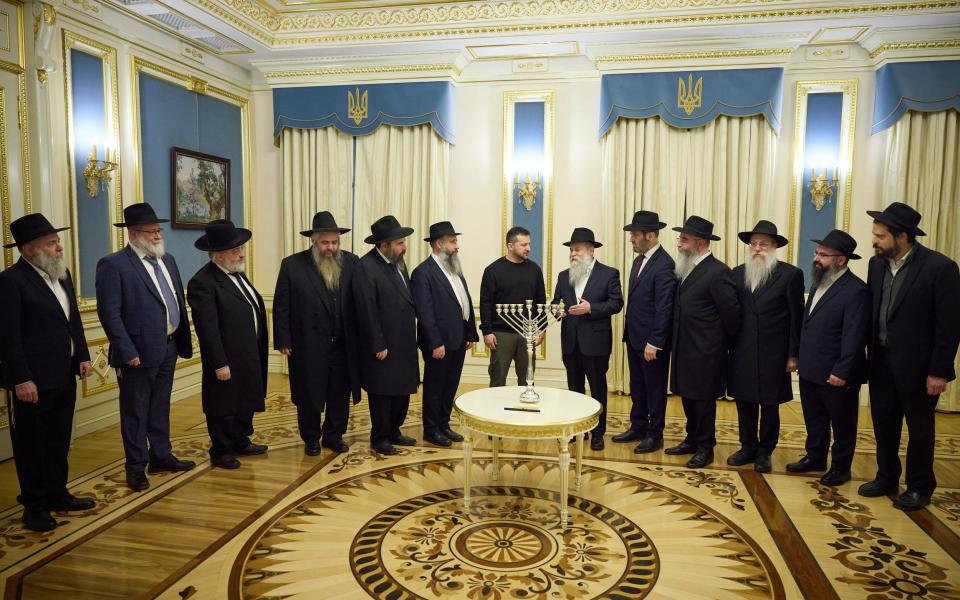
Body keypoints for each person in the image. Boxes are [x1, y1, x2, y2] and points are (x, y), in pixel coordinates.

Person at [859, 202, 960, 511]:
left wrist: (939, 371)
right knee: (883, 423)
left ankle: (919, 486)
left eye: (880, 236)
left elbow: (949, 325)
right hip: (881, 363)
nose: (874, 241)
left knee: (919, 429)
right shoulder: (876, 265)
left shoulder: (940, 268)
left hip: (919, 369)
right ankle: (887, 476)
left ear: (903, 236)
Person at [0, 214, 94, 532]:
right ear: (29, 250)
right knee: (31, 445)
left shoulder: (61, 275)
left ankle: (58, 494)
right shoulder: (11, 281)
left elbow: (73, 321)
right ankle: (34, 506)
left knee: (58, 439)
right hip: (33, 381)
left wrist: (82, 355)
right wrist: (21, 379)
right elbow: (8, 337)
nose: (59, 247)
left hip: (64, 374)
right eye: (51, 243)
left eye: (57, 241)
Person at [96, 203, 195, 492]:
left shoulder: (168, 260)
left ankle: (161, 455)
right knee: (135, 410)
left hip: (168, 346)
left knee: (160, 405)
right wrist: (127, 351)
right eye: (151, 232)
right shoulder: (113, 265)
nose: (156, 236)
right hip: (137, 353)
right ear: (133, 233)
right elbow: (109, 313)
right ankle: (135, 466)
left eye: (158, 230)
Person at [273, 211, 362, 456]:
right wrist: (283, 339)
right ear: (313, 240)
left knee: (339, 394)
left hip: (343, 345)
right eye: (325, 243)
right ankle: (311, 437)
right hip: (307, 344)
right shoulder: (292, 265)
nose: (330, 248)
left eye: (334, 242)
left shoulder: (352, 263)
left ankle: (334, 435)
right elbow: (282, 304)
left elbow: (360, 302)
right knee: (309, 394)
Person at [788, 230, 868, 486]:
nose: (816, 258)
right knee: (814, 418)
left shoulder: (856, 290)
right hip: (811, 367)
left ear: (841, 260)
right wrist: (799, 356)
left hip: (837, 373)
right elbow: (808, 323)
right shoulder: (819, 282)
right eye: (816, 252)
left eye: (823, 254)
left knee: (842, 423)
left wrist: (842, 370)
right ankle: (815, 457)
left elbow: (854, 336)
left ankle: (841, 468)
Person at [187, 220, 268, 469]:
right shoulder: (203, 282)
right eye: (235, 250)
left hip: (247, 353)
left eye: (240, 248)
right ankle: (221, 449)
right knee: (222, 404)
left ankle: (240, 440)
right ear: (219, 254)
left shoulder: (237, 275)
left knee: (245, 398)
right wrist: (219, 362)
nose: (241, 254)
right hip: (226, 357)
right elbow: (207, 329)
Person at [726, 221, 804, 473]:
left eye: (763, 244)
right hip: (742, 350)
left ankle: (764, 451)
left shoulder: (790, 274)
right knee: (744, 401)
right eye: (754, 244)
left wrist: (794, 354)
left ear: (774, 247)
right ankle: (747, 446)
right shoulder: (737, 273)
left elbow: (796, 317)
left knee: (769, 404)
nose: (757, 249)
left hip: (775, 353)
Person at [666, 216, 740, 469]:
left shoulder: (718, 272)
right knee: (687, 396)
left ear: (700, 243)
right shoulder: (687, 268)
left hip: (707, 351)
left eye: (684, 239)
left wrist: (717, 344)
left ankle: (706, 447)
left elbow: (731, 315)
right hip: (685, 348)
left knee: (703, 401)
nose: (679, 244)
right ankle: (692, 439)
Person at [551, 228, 623, 451]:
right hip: (571, 343)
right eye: (571, 250)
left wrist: (592, 308)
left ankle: (598, 431)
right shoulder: (564, 275)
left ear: (591, 251)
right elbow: (556, 302)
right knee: (575, 389)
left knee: (598, 389)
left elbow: (616, 303)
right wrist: (557, 310)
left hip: (596, 343)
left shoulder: (609, 273)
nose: (573, 254)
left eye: (578, 249)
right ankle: (576, 428)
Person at [612, 211, 676, 454]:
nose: (631, 240)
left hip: (651, 343)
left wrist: (655, 342)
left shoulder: (664, 264)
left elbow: (664, 308)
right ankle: (638, 426)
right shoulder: (639, 260)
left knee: (654, 389)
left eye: (635, 235)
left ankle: (654, 434)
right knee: (637, 385)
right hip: (635, 337)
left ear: (650, 235)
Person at [411, 222, 479, 447]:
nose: (456, 246)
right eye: (453, 241)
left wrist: (470, 333)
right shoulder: (423, 272)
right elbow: (425, 312)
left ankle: (443, 424)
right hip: (439, 343)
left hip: (458, 339)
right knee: (434, 386)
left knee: (450, 385)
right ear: (439, 244)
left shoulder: (454, 268)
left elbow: (464, 302)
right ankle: (431, 429)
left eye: (455, 241)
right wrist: (435, 342)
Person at [357, 215, 420, 455]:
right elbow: (366, 308)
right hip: (383, 344)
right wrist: (377, 342)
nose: (404, 247)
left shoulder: (398, 263)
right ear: (384, 245)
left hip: (403, 341)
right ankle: (380, 437)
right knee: (383, 392)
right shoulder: (366, 267)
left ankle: (394, 431)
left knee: (402, 390)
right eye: (400, 243)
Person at [479, 226, 547, 386]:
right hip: (501, 334)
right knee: (498, 378)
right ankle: (493, 411)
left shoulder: (535, 270)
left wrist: (542, 328)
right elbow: (485, 302)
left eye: (529, 244)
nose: (528, 248)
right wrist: (487, 331)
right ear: (510, 246)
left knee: (527, 380)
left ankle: (525, 409)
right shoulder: (492, 271)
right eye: (523, 245)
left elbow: (541, 301)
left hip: (528, 332)